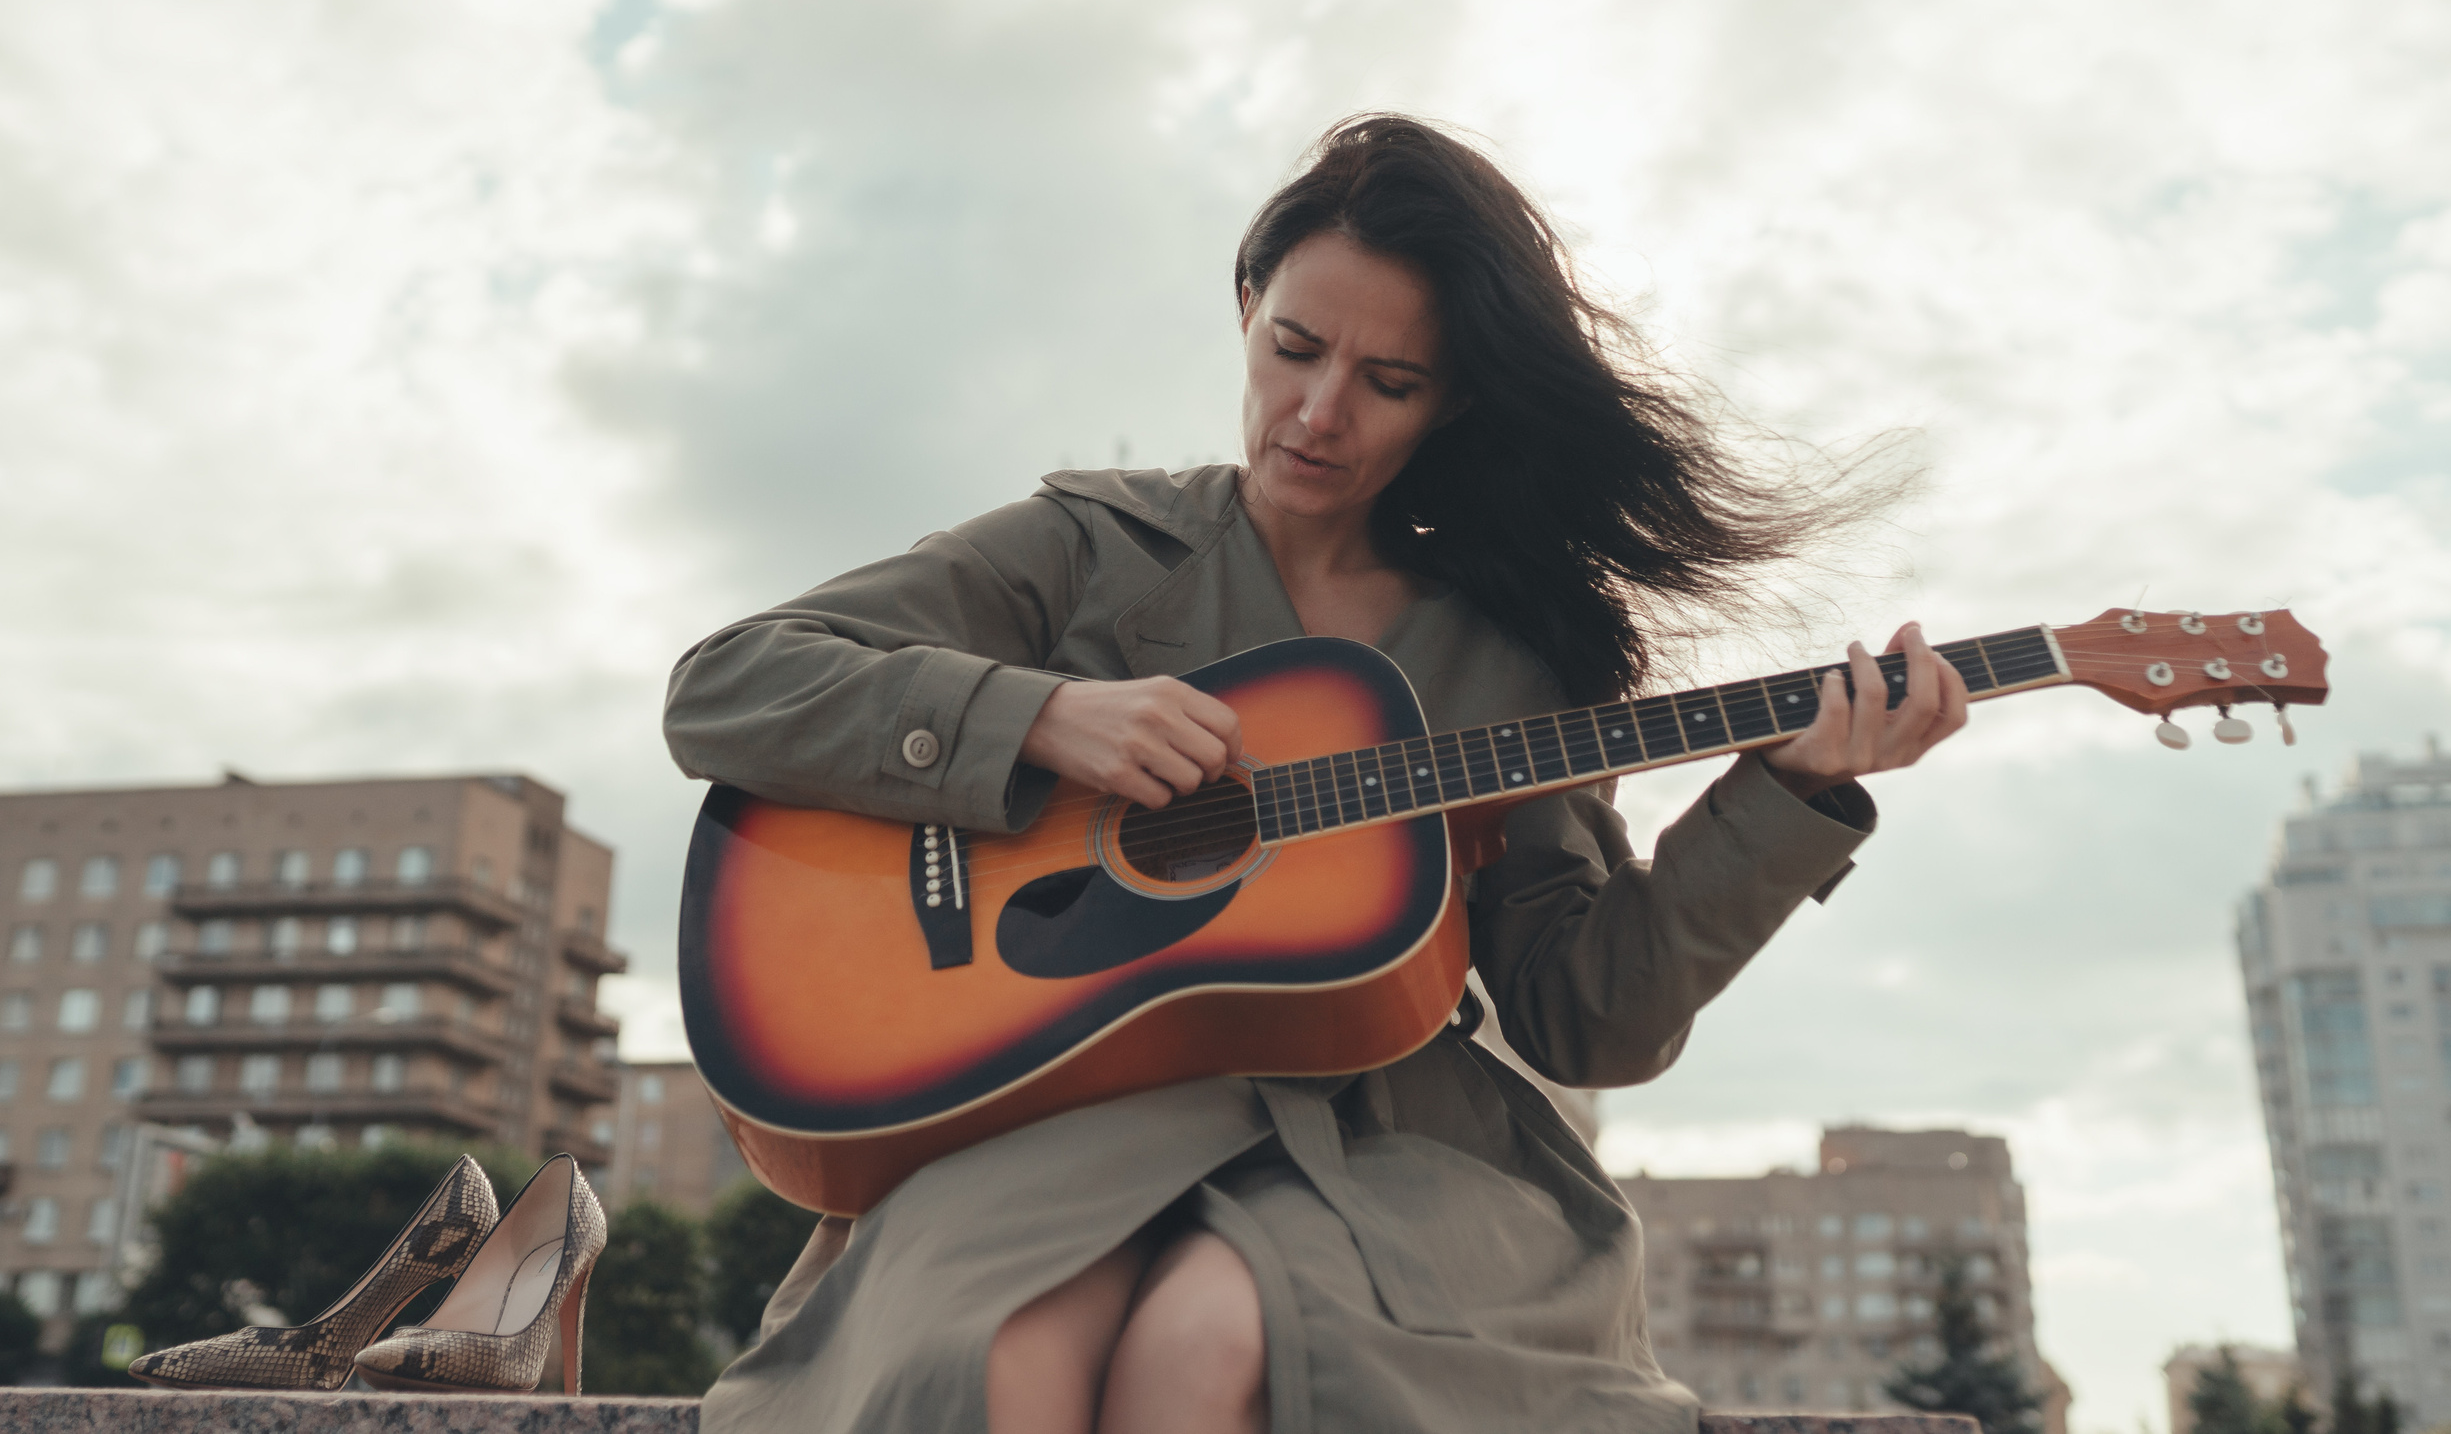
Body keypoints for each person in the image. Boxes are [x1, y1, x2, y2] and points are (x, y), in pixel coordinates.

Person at [663, 114, 1970, 1434]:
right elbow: (731, 686)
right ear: (1246, 305)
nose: (1320, 411)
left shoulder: (1521, 654)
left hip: (1384, 1150)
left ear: (1452, 397)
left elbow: (1591, 1018)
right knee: (994, 1367)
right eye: (1296, 347)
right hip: (1057, 1112)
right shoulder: (1091, 544)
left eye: (1389, 381)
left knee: (1217, 1341)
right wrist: (1040, 718)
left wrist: (1783, 798)